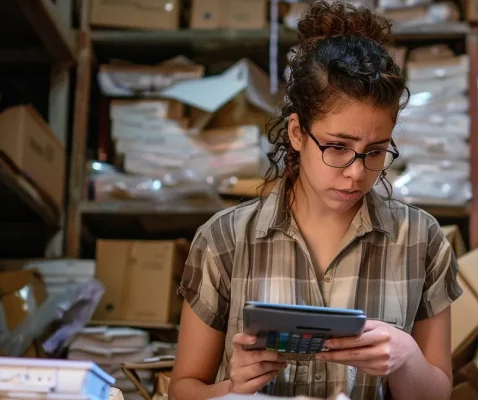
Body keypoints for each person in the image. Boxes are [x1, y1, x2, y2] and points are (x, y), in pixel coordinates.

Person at [168, 1, 461, 399]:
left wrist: (407, 359)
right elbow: (182, 391)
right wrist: (233, 389)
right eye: (338, 147)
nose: (357, 172)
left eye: (375, 151)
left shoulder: (421, 240)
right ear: (297, 133)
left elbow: (438, 394)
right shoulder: (225, 240)